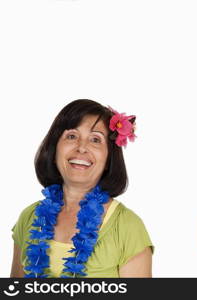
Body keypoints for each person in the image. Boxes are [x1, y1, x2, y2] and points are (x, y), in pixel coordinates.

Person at [10, 99, 153, 278]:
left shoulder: (128, 227)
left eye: (95, 139)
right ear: (54, 151)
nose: (82, 148)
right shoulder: (29, 217)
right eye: (71, 136)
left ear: (108, 159)